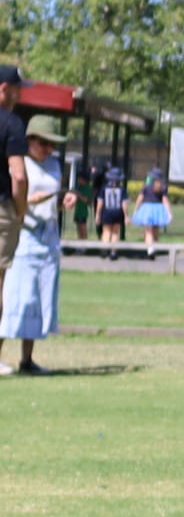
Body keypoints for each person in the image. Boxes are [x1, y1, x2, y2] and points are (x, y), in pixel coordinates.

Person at [0, 115, 77, 375]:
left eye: (52, 144)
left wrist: (62, 201)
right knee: (15, 298)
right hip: (26, 235)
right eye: (43, 143)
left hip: (48, 236)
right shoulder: (20, 165)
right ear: (29, 141)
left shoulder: (54, 165)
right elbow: (16, 196)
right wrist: (30, 201)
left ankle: (27, 359)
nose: (48, 149)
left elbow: (53, 200)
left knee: (38, 300)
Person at [0, 65, 28, 279]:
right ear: (5, 89)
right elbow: (18, 175)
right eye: (18, 89)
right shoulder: (12, 123)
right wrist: (20, 211)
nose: (20, 94)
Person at [133, 168, 173, 252]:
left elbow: (140, 198)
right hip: (158, 209)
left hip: (146, 209)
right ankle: (154, 246)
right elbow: (165, 200)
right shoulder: (163, 187)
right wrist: (169, 212)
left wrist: (136, 209)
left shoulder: (146, 186)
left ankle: (150, 249)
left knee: (148, 231)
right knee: (155, 229)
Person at [94, 163, 129, 249]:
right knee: (115, 232)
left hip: (106, 212)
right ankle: (113, 251)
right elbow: (124, 203)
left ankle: (105, 248)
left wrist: (98, 215)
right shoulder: (122, 189)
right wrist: (126, 216)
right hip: (117, 212)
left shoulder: (104, 188)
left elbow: (100, 202)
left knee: (106, 231)